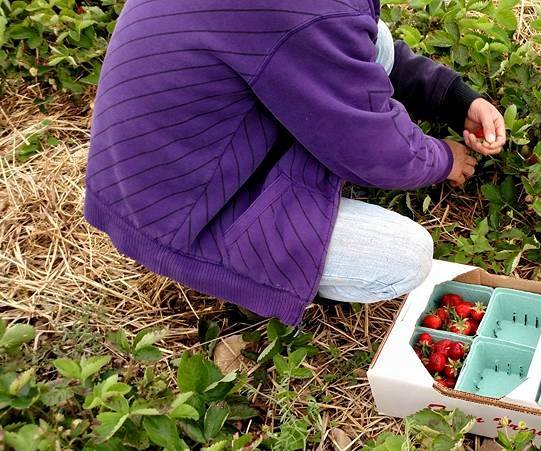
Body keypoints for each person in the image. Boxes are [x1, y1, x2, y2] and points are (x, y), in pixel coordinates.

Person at [84, 0, 507, 326]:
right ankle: (253, 285)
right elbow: (372, 151)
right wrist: (443, 158)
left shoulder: (310, 12)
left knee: (371, 34)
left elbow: (344, 39)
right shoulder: (307, 13)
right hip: (182, 215)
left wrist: (452, 98)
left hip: (144, 167)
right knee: (404, 257)